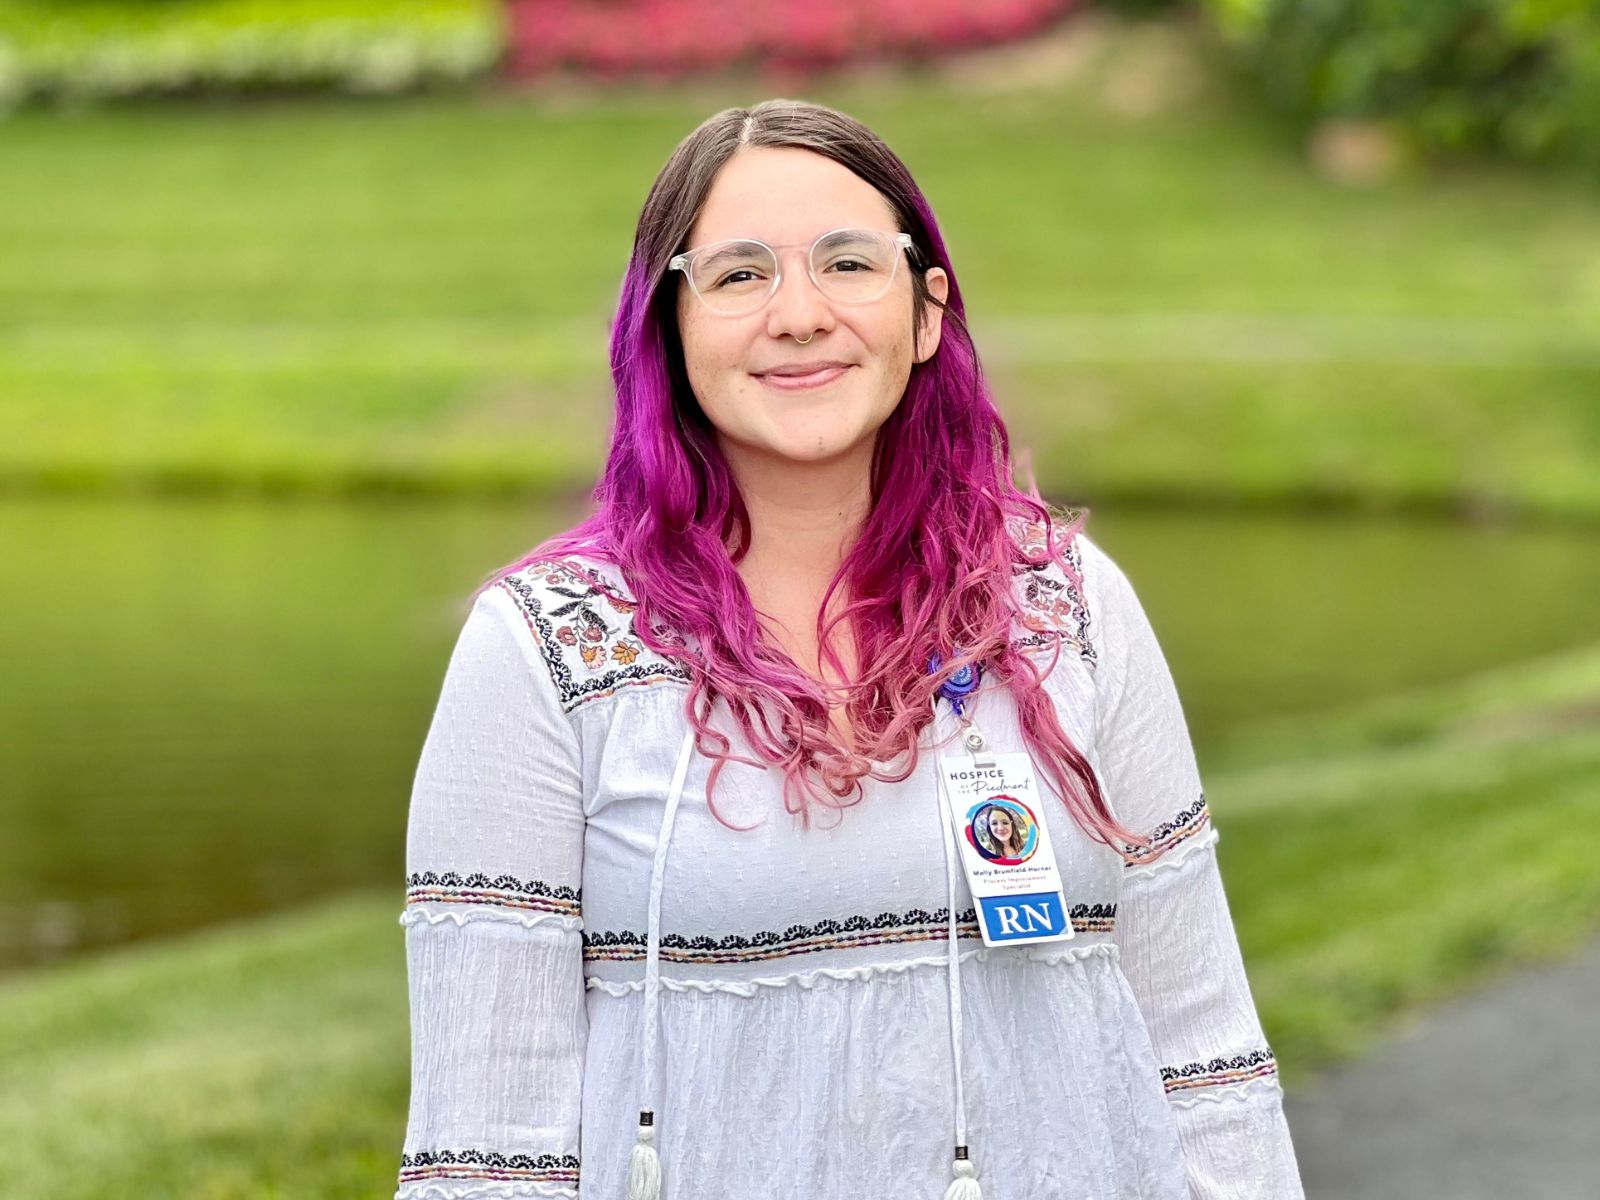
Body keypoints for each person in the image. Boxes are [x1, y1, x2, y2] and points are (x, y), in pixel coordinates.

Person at [395, 98, 1305, 1200]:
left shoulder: (1065, 602)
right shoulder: (545, 646)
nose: (798, 315)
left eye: (847, 263)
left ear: (925, 313)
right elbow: (484, 1139)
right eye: (736, 275)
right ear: (667, 330)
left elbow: (1204, 1051)